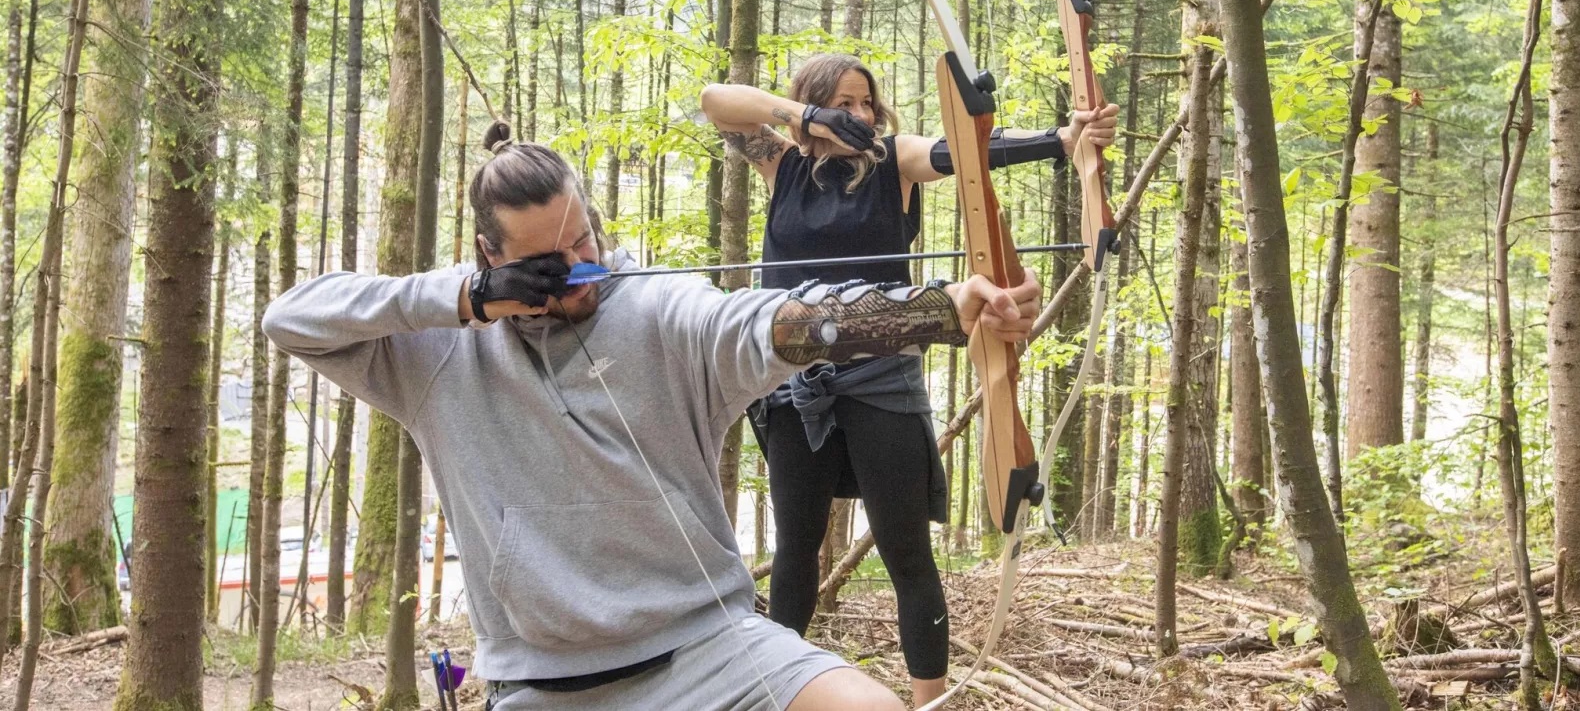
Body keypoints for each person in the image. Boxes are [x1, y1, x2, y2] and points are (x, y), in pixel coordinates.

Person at [260, 124, 1042, 711]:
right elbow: (290, 320)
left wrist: (935, 311)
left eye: (584, 240)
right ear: (488, 257)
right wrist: (462, 299)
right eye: (548, 263)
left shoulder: (662, 310)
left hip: (712, 651)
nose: (579, 271)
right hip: (539, 683)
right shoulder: (432, 353)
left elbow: (772, 321)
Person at [700, 52, 1118, 705]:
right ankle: (773, 695)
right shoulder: (780, 165)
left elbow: (967, 153)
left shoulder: (893, 161)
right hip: (794, 387)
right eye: (845, 102)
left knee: (908, 558)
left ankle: (929, 701)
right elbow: (716, 100)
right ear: (814, 105)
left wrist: (1063, 141)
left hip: (880, 381)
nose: (862, 114)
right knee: (794, 558)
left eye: (868, 102)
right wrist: (805, 119)